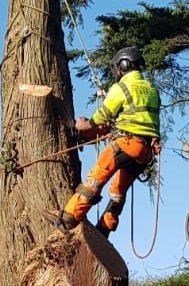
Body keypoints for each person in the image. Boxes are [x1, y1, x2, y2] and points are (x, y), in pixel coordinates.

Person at [48, 46, 161, 235]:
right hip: (146, 152)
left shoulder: (122, 87)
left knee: (95, 180)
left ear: (124, 65)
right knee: (118, 191)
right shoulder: (152, 90)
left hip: (126, 144)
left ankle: (68, 219)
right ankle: (105, 228)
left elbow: (102, 117)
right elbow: (135, 119)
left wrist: (85, 125)